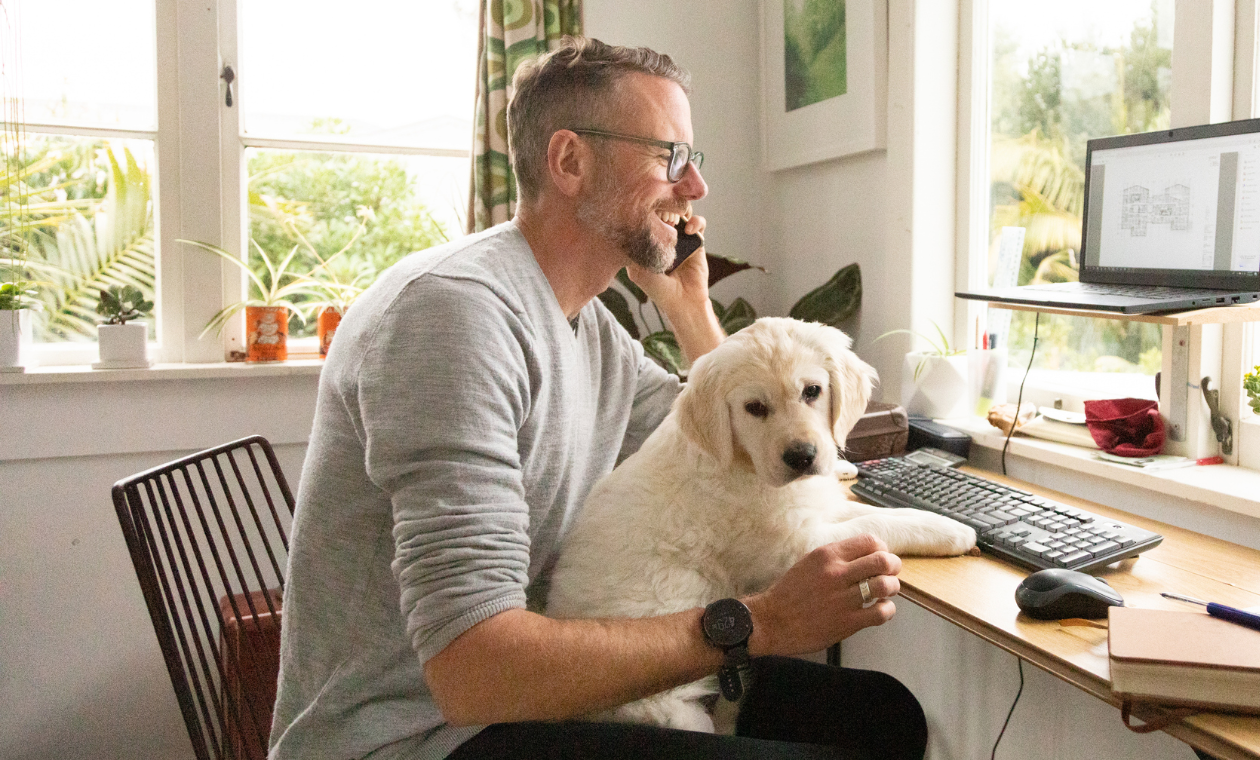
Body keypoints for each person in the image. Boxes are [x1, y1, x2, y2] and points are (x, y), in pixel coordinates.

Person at [270, 37, 928, 760]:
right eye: (668, 158)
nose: (695, 189)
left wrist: (688, 310)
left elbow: (721, 442)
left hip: (523, 693)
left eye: (693, 161)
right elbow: (473, 672)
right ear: (570, 162)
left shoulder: (583, 323)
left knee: (881, 717)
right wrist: (758, 624)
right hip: (424, 734)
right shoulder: (453, 316)